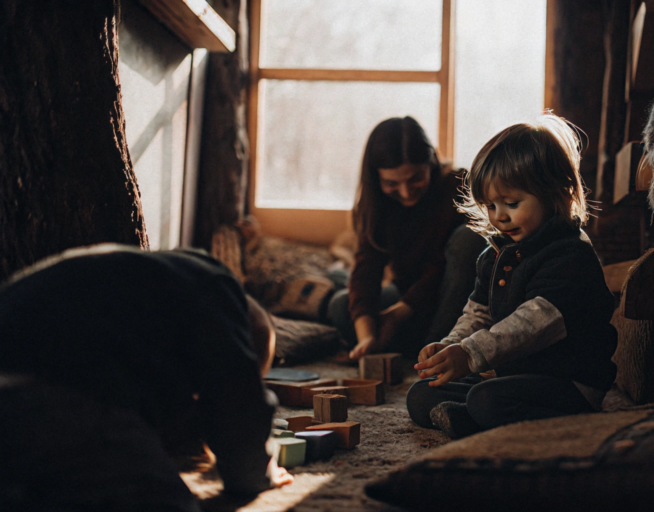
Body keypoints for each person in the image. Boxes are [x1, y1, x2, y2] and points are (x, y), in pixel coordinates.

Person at [0, 244, 292, 512]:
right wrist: (258, 471)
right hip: (46, 398)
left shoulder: (150, 280)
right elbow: (237, 404)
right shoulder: (218, 288)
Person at [406, 114, 619, 439]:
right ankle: (470, 419)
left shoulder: (570, 254)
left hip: (568, 384)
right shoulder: (496, 253)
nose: (499, 216)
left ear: (555, 192)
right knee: (422, 394)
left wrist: (471, 354)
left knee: (487, 399)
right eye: (490, 205)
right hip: (515, 376)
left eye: (511, 203)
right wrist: (451, 346)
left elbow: (531, 325)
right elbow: (477, 311)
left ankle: (473, 418)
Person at [323, 116, 485, 360]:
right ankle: (408, 347)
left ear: (431, 161)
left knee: (469, 237)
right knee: (341, 306)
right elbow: (367, 268)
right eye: (391, 183)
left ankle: (437, 349)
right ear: (377, 178)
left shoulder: (459, 185)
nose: (406, 192)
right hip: (406, 300)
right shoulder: (376, 205)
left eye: (415, 178)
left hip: (453, 301)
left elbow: (441, 269)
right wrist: (367, 337)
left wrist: (401, 311)